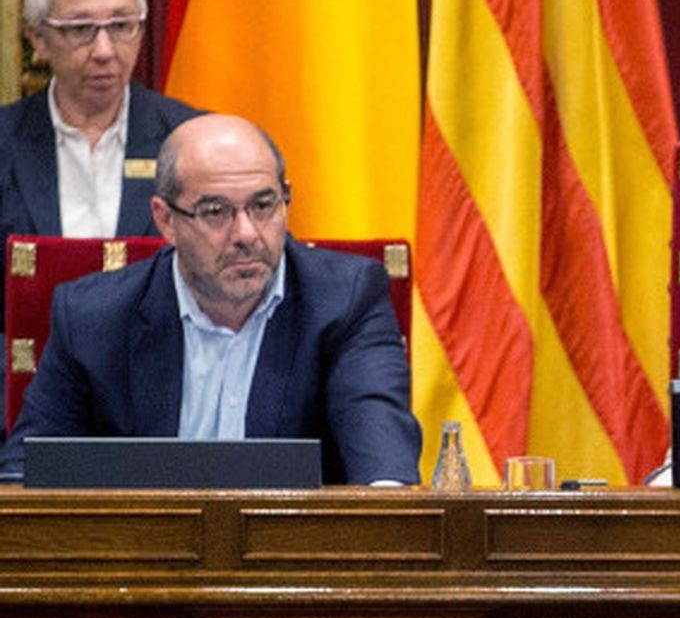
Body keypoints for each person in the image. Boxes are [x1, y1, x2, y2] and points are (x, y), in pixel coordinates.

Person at [0, 114, 421, 484]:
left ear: (286, 199)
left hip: (293, 563)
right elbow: (27, 474)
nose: (246, 234)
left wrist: (387, 497)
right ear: (165, 219)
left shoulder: (345, 300)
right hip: (141, 564)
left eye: (263, 205)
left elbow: (381, 456)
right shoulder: (94, 318)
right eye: (216, 212)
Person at [0, 0, 201, 329]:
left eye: (121, 25)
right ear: (38, 39)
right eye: (80, 29)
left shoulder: (193, 140)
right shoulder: (6, 141)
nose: (105, 50)